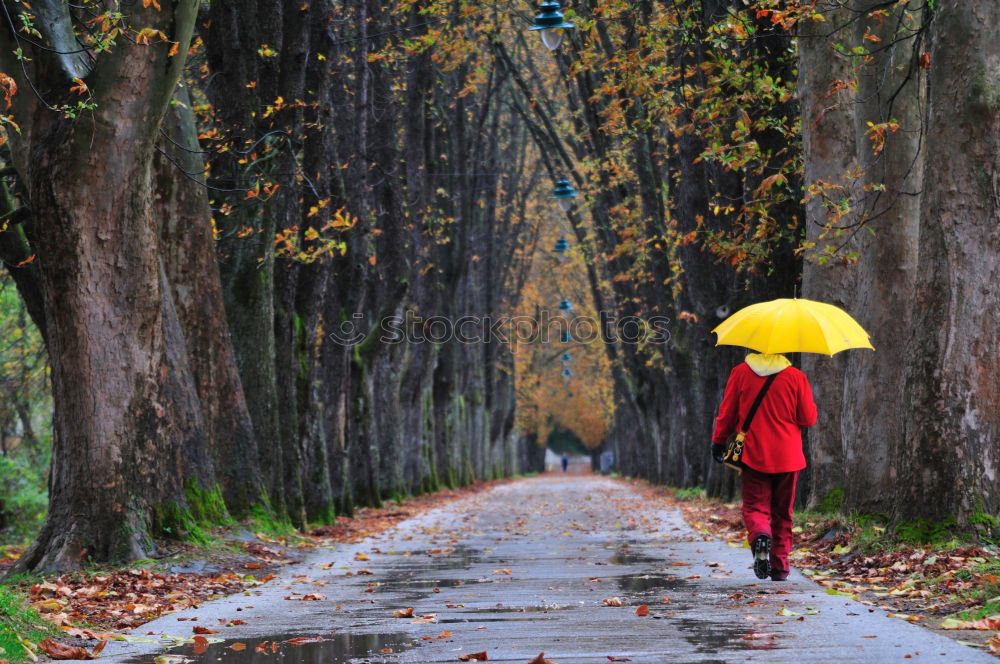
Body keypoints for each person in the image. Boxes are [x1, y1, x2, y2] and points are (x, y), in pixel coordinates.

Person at [711, 352, 817, 581]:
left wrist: (719, 440)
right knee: (783, 514)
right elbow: (808, 418)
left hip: (753, 453)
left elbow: (727, 412)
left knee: (755, 508)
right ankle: (780, 568)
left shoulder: (740, 373)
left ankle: (760, 535)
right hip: (788, 456)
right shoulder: (796, 376)